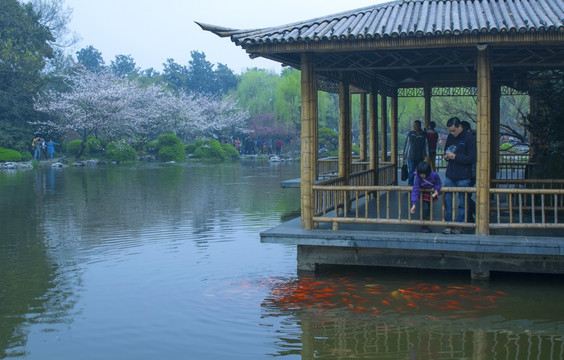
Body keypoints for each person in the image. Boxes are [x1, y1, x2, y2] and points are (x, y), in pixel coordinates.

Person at [442, 117, 476, 234]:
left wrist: (456, 157)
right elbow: (446, 150)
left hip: (464, 175)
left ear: (460, 127)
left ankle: (460, 225)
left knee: (463, 202)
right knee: (447, 201)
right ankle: (449, 224)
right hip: (450, 174)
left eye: (453, 130)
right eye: (450, 131)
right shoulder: (451, 137)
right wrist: (446, 156)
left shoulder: (469, 138)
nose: (452, 133)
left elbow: (471, 158)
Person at [410, 161, 442, 233]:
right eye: (420, 174)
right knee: (425, 208)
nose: (422, 176)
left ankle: (426, 222)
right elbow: (415, 188)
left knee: (429, 208)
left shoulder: (434, 175)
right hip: (423, 193)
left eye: (423, 174)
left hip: (431, 193)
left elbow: (438, 183)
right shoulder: (418, 177)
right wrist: (414, 204)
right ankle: (424, 225)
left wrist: (436, 190)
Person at [403, 120, 429, 186]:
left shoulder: (424, 135)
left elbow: (427, 146)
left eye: (416, 126)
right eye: (414, 126)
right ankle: (410, 186)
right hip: (411, 156)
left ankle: (419, 185)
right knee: (411, 171)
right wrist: (404, 155)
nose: (415, 127)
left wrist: (427, 155)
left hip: (420, 157)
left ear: (420, 126)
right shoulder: (410, 134)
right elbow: (407, 145)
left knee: (420, 172)